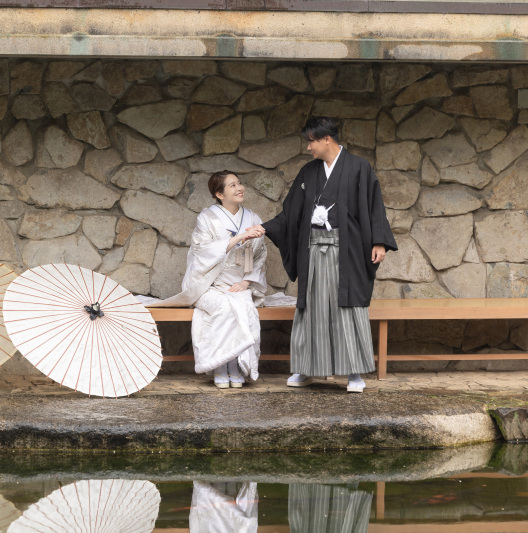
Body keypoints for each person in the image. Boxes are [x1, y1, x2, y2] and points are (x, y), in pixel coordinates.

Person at [261, 117, 396, 393]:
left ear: (326, 139)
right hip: (313, 250)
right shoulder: (308, 172)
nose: (308, 147)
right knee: (311, 307)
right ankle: (306, 369)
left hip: (347, 251)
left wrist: (379, 241)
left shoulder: (359, 167)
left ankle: (354, 373)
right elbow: (291, 212)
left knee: (348, 307)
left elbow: (374, 206)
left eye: (311, 141)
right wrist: (264, 228)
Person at [157, 171, 267, 389]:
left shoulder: (253, 218)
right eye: (232, 185)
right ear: (219, 194)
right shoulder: (207, 218)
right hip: (209, 284)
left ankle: (235, 366)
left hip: (239, 284)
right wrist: (239, 237)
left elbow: (260, 256)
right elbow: (202, 253)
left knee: (242, 307)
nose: (239, 188)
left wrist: (245, 283)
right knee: (225, 307)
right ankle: (221, 367)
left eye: (239, 183)